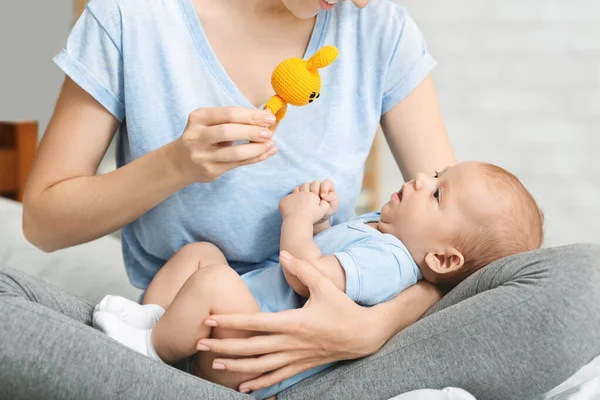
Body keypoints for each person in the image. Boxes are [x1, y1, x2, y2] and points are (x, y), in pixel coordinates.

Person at [2, 0, 597, 399]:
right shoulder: (133, 18)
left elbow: (457, 256)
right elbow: (45, 223)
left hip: (324, 344)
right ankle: (151, 357)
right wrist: (175, 165)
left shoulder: (377, 27)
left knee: (585, 280)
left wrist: (366, 329)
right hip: (184, 321)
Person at [91, 161, 544, 399]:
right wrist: (326, 224)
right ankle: (157, 321)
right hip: (235, 327)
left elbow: (306, 276)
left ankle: (150, 352)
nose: (423, 178)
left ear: (444, 258)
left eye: (439, 192)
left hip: (248, 354)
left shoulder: (391, 261)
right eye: (439, 172)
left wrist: (299, 217)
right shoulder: (383, 232)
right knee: (201, 255)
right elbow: (333, 260)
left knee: (214, 279)